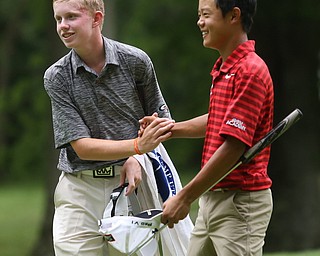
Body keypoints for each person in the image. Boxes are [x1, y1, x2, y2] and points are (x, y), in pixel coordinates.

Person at [140, 0, 274, 255]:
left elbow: (233, 146)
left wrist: (184, 197)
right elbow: (218, 119)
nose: (199, 22)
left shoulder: (250, 71)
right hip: (212, 198)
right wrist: (169, 130)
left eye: (205, 15)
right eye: (199, 15)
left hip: (240, 203)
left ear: (233, 16)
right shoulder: (226, 68)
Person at [44, 0, 174, 255]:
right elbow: (82, 147)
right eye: (58, 19)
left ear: (96, 18)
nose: (63, 26)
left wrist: (138, 156)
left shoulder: (136, 62)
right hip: (79, 192)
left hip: (134, 188)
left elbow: (161, 124)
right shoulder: (57, 76)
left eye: (71, 17)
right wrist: (136, 147)